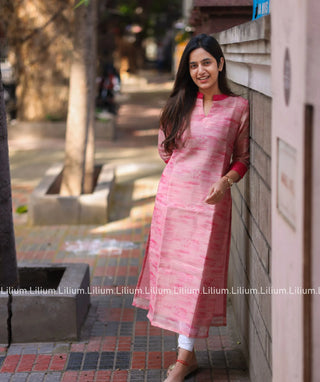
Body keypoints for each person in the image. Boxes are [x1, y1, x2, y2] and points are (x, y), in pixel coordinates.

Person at [132, 33, 250, 381]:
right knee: (175, 277)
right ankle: (187, 355)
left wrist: (224, 180)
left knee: (198, 279)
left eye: (207, 63)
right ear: (188, 69)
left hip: (211, 207)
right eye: (194, 64)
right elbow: (166, 153)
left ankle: (185, 358)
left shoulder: (237, 108)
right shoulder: (176, 105)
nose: (201, 70)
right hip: (172, 203)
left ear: (220, 64)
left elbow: (243, 158)